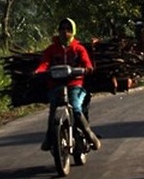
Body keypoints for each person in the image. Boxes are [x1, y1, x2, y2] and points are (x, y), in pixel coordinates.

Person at [34, 17, 101, 150]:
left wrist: (87, 68)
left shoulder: (78, 49)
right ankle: (50, 137)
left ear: (73, 31)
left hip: (75, 85)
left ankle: (89, 134)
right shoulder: (51, 49)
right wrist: (39, 71)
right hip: (55, 86)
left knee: (76, 108)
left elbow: (86, 61)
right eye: (62, 29)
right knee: (53, 110)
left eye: (68, 29)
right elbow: (45, 62)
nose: (65, 32)